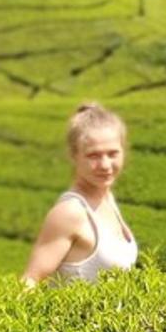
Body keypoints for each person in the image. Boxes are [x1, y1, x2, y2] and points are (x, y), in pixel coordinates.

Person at [21, 102, 137, 286]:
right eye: (93, 156)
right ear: (74, 156)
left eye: (112, 154)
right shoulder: (70, 213)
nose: (105, 165)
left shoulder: (107, 198)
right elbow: (31, 280)